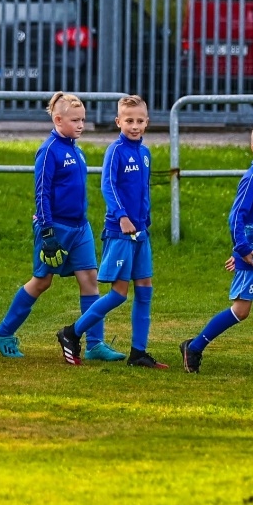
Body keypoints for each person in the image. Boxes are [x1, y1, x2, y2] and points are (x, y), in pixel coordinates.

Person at [177, 124, 253, 376]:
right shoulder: (252, 179)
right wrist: (242, 250)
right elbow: (236, 217)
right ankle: (194, 346)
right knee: (241, 311)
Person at [0, 92, 103, 364]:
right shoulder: (49, 150)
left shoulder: (77, 149)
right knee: (42, 281)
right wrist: (47, 230)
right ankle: (3, 333)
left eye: (83, 120)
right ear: (58, 119)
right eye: (75, 120)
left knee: (90, 280)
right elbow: (41, 193)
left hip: (80, 227)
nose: (81, 125)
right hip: (55, 228)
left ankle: (95, 344)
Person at [56, 95, 163, 369]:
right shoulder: (115, 151)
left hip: (141, 234)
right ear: (118, 122)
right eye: (129, 121)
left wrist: (144, 220)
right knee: (118, 293)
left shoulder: (146, 153)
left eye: (140, 121)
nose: (135, 126)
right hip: (120, 232)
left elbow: (143, 191)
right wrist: (123, 217)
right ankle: (72, 332)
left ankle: (138, 352)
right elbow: (109, 186)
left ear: (147, 122)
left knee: (145, 290)